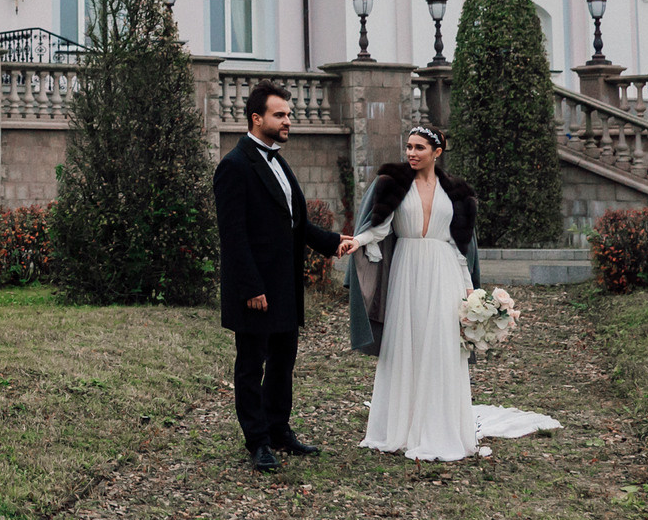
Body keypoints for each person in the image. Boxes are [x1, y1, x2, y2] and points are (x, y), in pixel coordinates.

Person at [339, 126, 560, 461]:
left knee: (441, 346)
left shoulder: (455, 192)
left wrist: (473, 292)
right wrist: (357, 242)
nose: (411, 153)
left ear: (436, 152)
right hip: (407, 269)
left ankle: (439, 429)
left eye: (419, 148)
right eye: (409, 147)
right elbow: (378, 227)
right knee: (406, 344)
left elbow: (460, 247)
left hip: (445, 272)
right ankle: (399, 427)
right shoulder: (394, 184)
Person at [214, 80, 343, 472]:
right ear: (257, 118)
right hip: (255, 287)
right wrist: (251, 286)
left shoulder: (279, 160)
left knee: (284, 361)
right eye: (280, 114)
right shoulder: (234, 166)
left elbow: (295, 223)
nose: (289, 120)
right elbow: (233, 237)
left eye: (289, 114)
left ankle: (278, 428)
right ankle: (257, 441)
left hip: (285, 285)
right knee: (251, 365)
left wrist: (334, 242)